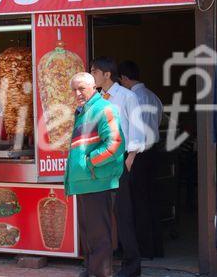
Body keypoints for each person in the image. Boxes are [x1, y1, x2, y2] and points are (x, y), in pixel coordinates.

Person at [65, 72, 125, 277]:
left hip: (97, 181)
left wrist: (91, 162)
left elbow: (115, 143)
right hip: (86, 182)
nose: (77, 93)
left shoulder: (103, 108)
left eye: (81, 88)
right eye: (74, 89)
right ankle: (91, 271)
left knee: (99, 238)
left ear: (94, 87)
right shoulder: (83, 111)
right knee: (89, 236)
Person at [90, 57, 145, 277]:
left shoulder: (127, 97)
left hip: (120, 160)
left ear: (107, 75)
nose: (91, 75)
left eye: (94, 72)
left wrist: (130, 158)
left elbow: (138, 128)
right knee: (101, 214)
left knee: (123, 214)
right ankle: (102, 265)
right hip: (100, 160)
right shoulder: (96, 97)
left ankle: (132, 265)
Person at [118, 60, 164, 258]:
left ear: (125, 78)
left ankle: (142, 248)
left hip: (137, 154)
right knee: (151, 199)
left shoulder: (132, 98)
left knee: (136, 202)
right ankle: (155, 247)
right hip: (153, 152)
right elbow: (159, 120)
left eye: (120, 80)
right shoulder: (153, 96)